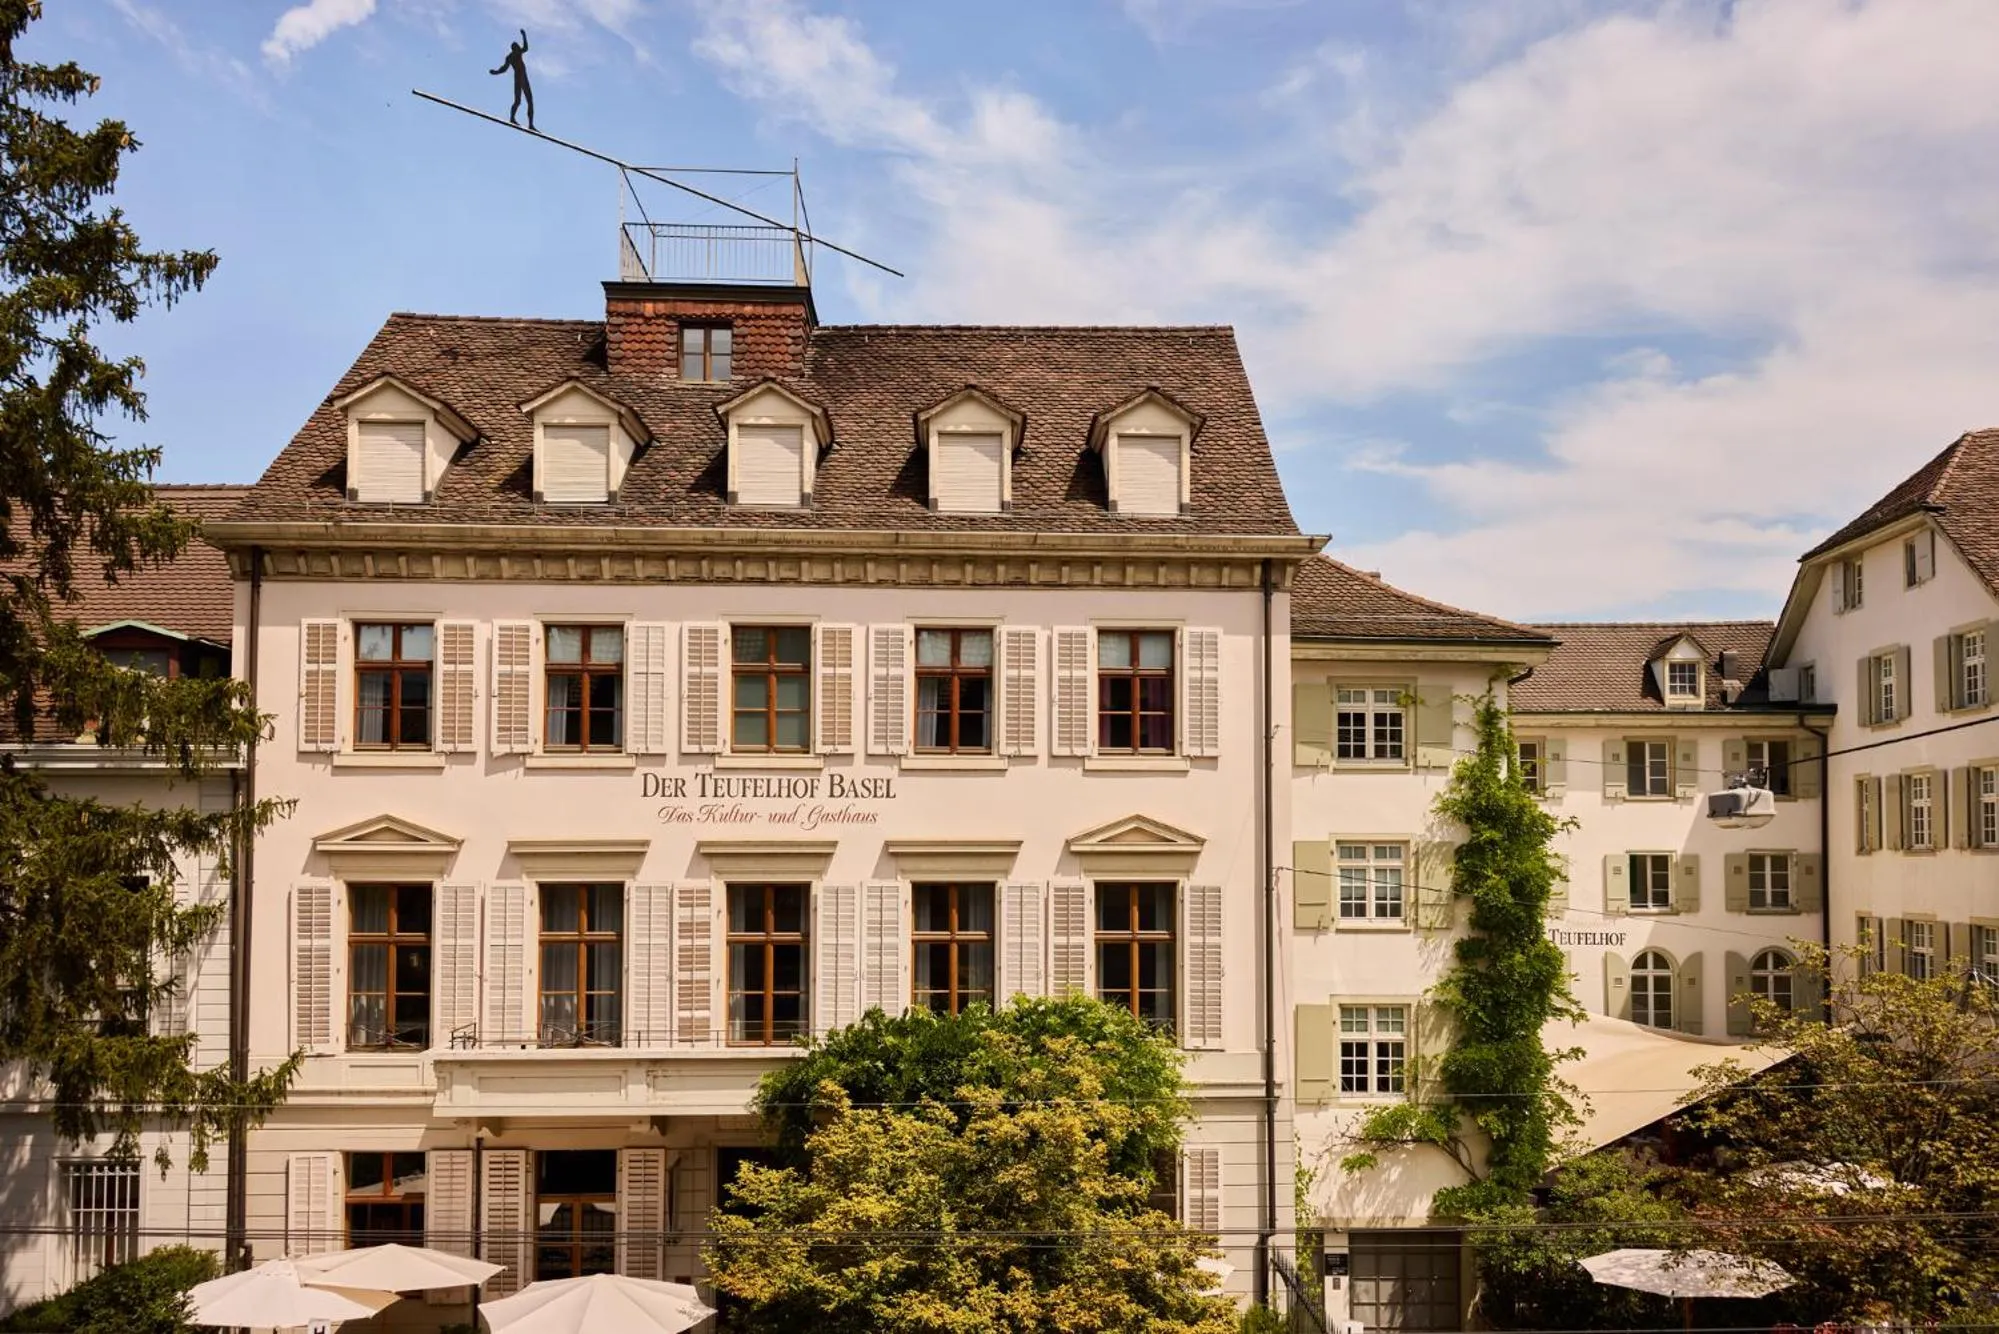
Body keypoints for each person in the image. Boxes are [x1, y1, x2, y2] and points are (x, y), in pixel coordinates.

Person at [490, 29, 534, 130]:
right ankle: (513, 118)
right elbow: (504, 68)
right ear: (514, 49)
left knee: (527, 102)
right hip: (519, 79)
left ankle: (529, 124)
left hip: (523, 79)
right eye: (517, 48)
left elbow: (525, 48)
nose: (519, 50)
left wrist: (524, 36)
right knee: (520, 101)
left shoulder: (516, 53)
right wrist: (496, 72)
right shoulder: (512, 56)